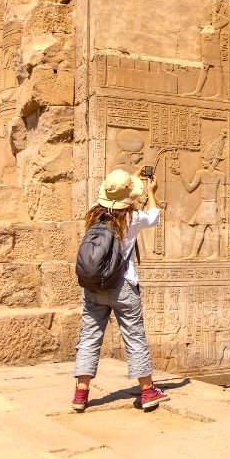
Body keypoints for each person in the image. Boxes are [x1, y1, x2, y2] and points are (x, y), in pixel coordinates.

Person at [72, 168, 169, 413]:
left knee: (89, 336)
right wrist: (150, 191)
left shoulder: (94, 213)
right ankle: (147, 391)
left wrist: (130, 179)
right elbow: (155, 216)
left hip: (94, 287)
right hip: (123, 285)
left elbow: (107, 195)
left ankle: (81, 393)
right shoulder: (132, 218)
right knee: (134, 337)